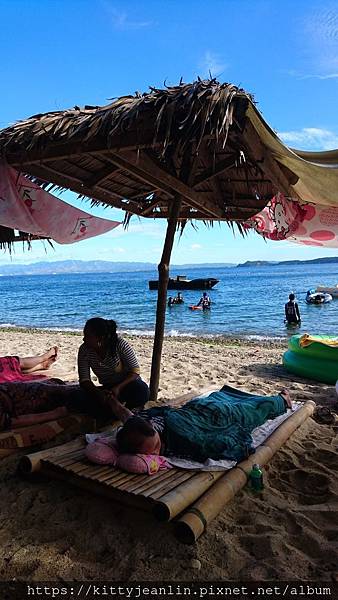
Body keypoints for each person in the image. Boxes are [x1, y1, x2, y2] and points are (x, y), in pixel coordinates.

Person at [113, 386, 293, 463]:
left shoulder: (184, 437)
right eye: (151, 452)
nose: (155, 453)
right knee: (247, 406)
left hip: (217, 415)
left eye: (157, 446)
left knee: (255, 412)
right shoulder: (141, 425)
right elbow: (128, 417)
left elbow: (211, 443)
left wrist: (241, 449)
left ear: (154, 430)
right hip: (201, 408)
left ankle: (283, 399)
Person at [77, 317, 149, 419]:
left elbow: (135, 371)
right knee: (78, 396)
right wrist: (98, 393)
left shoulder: (120, 345)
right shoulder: (84, 350)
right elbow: (84, 380)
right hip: (107, 389)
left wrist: (118, 387)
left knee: (142, 389)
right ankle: (114, 410)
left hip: (127, 385)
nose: (84, 339)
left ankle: (118, 409)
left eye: (88, 336)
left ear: (100, 338)